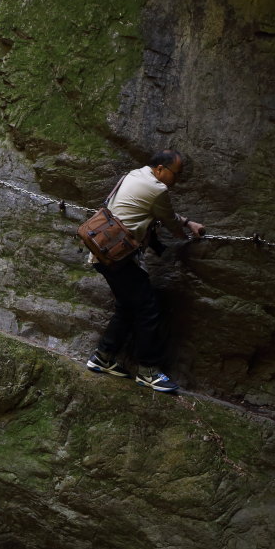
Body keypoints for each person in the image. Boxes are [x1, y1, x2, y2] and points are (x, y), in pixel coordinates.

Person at [85, 150, 204, 393]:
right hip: (119, 258)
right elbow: (168, 218)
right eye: (176, 173)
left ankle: (102, 357)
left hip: (103, 251)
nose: (177, 179)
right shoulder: (157, 189)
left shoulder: (135, 175)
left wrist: (187, 221)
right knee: (148, 309)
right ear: (161, 169)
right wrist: (188, 235)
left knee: (128, 306)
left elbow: (158, 209)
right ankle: (148, 371)